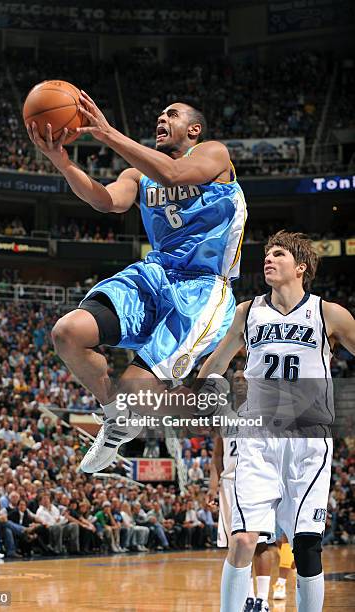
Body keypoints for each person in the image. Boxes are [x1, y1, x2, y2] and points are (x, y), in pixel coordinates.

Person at [27, 94, 247, 473]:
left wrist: (107, 133)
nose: (162, 118)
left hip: (203, 288)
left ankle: (202, 400)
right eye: (160, 114)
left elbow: (174, 176)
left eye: (172, 115)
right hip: (155, 274)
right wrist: (59, 160)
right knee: (67, 333)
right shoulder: (137, 175)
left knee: (137, 390)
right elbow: (105, 201)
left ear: (193, 129)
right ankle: (116, 417)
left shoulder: (214, 154)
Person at [197, 230, 355, 612]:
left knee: (305, 544)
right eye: (267, 254)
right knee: (243, 539)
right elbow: (213, 367)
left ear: (300, 267)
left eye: (278, 254)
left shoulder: (328, 313)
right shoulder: (247, 312)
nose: (268, 259)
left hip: (308, 439)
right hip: (258, 438)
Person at [208, 370, 272, 612]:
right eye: (236, 379)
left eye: (245, 378)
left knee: (262, 543)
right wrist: (212, 488)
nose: (240, 382)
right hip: (229, 484)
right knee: (236, 545)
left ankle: (263, 600)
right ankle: (247, 598)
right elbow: (217, 456)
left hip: (257, 481)